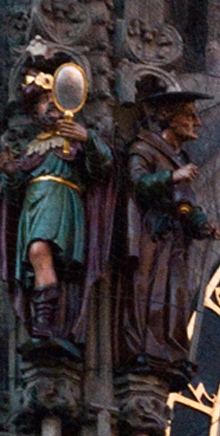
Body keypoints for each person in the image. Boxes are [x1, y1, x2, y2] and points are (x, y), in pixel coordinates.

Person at [0, 54, 114, 356]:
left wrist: (87, 138)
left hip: (61, 201)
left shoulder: (73, 141)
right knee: (38, 257)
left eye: (54, 99)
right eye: (42, 102)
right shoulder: (32, 146)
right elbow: (12, 195)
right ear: (35, 110)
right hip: (34, 205)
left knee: (40, 252)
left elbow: (101, 169)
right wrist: (11, 174)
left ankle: (47, 321)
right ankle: (43, 324)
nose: (49, 105)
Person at [117, 80, 219, 380]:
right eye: (189, 115)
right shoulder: (143, 148)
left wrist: (202, 225)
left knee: (177, 293)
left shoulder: (182, 159)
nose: (197, 122)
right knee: (152, 289)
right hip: (152, 234)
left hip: (175, 238)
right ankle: (147, 347)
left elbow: (185, 202)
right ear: (169, 118)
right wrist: (172, 176)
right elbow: (137, 184)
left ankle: (171, 349)